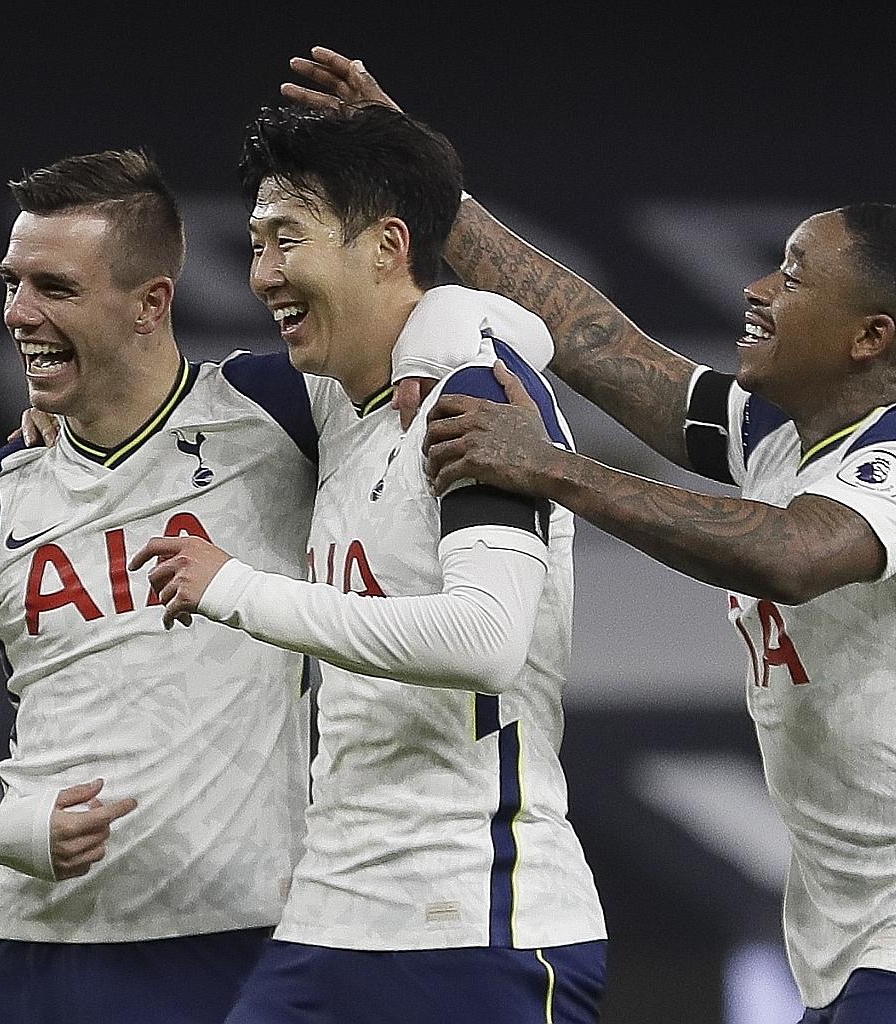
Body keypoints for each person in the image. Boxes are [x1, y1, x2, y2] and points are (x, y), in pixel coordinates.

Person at [284, 49, 896, 1024]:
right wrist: (422, 180)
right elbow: (596, 344)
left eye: (792, 274)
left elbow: (792, 553)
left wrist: (551, 468)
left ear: (870, 337)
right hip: (871, 949)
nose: (756, 287)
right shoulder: (778, 438)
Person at [131, 103, 607, 1024]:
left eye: (288, 240)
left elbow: (484, 640)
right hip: (335, 912)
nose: (263, 274)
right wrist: (58, 415)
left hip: (477, 919)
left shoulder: (479, 395)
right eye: (257, 242)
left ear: (388, 246)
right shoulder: (332, 397)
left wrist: (233, 588)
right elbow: (155, 394)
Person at [0, 149, 331, 1024]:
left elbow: (431, 335)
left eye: (55, 289)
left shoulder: (283, 416)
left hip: (243, 944)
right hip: (31, 957)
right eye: (12, 282)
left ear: (151, 303)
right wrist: (2, 830)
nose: (19, 314)